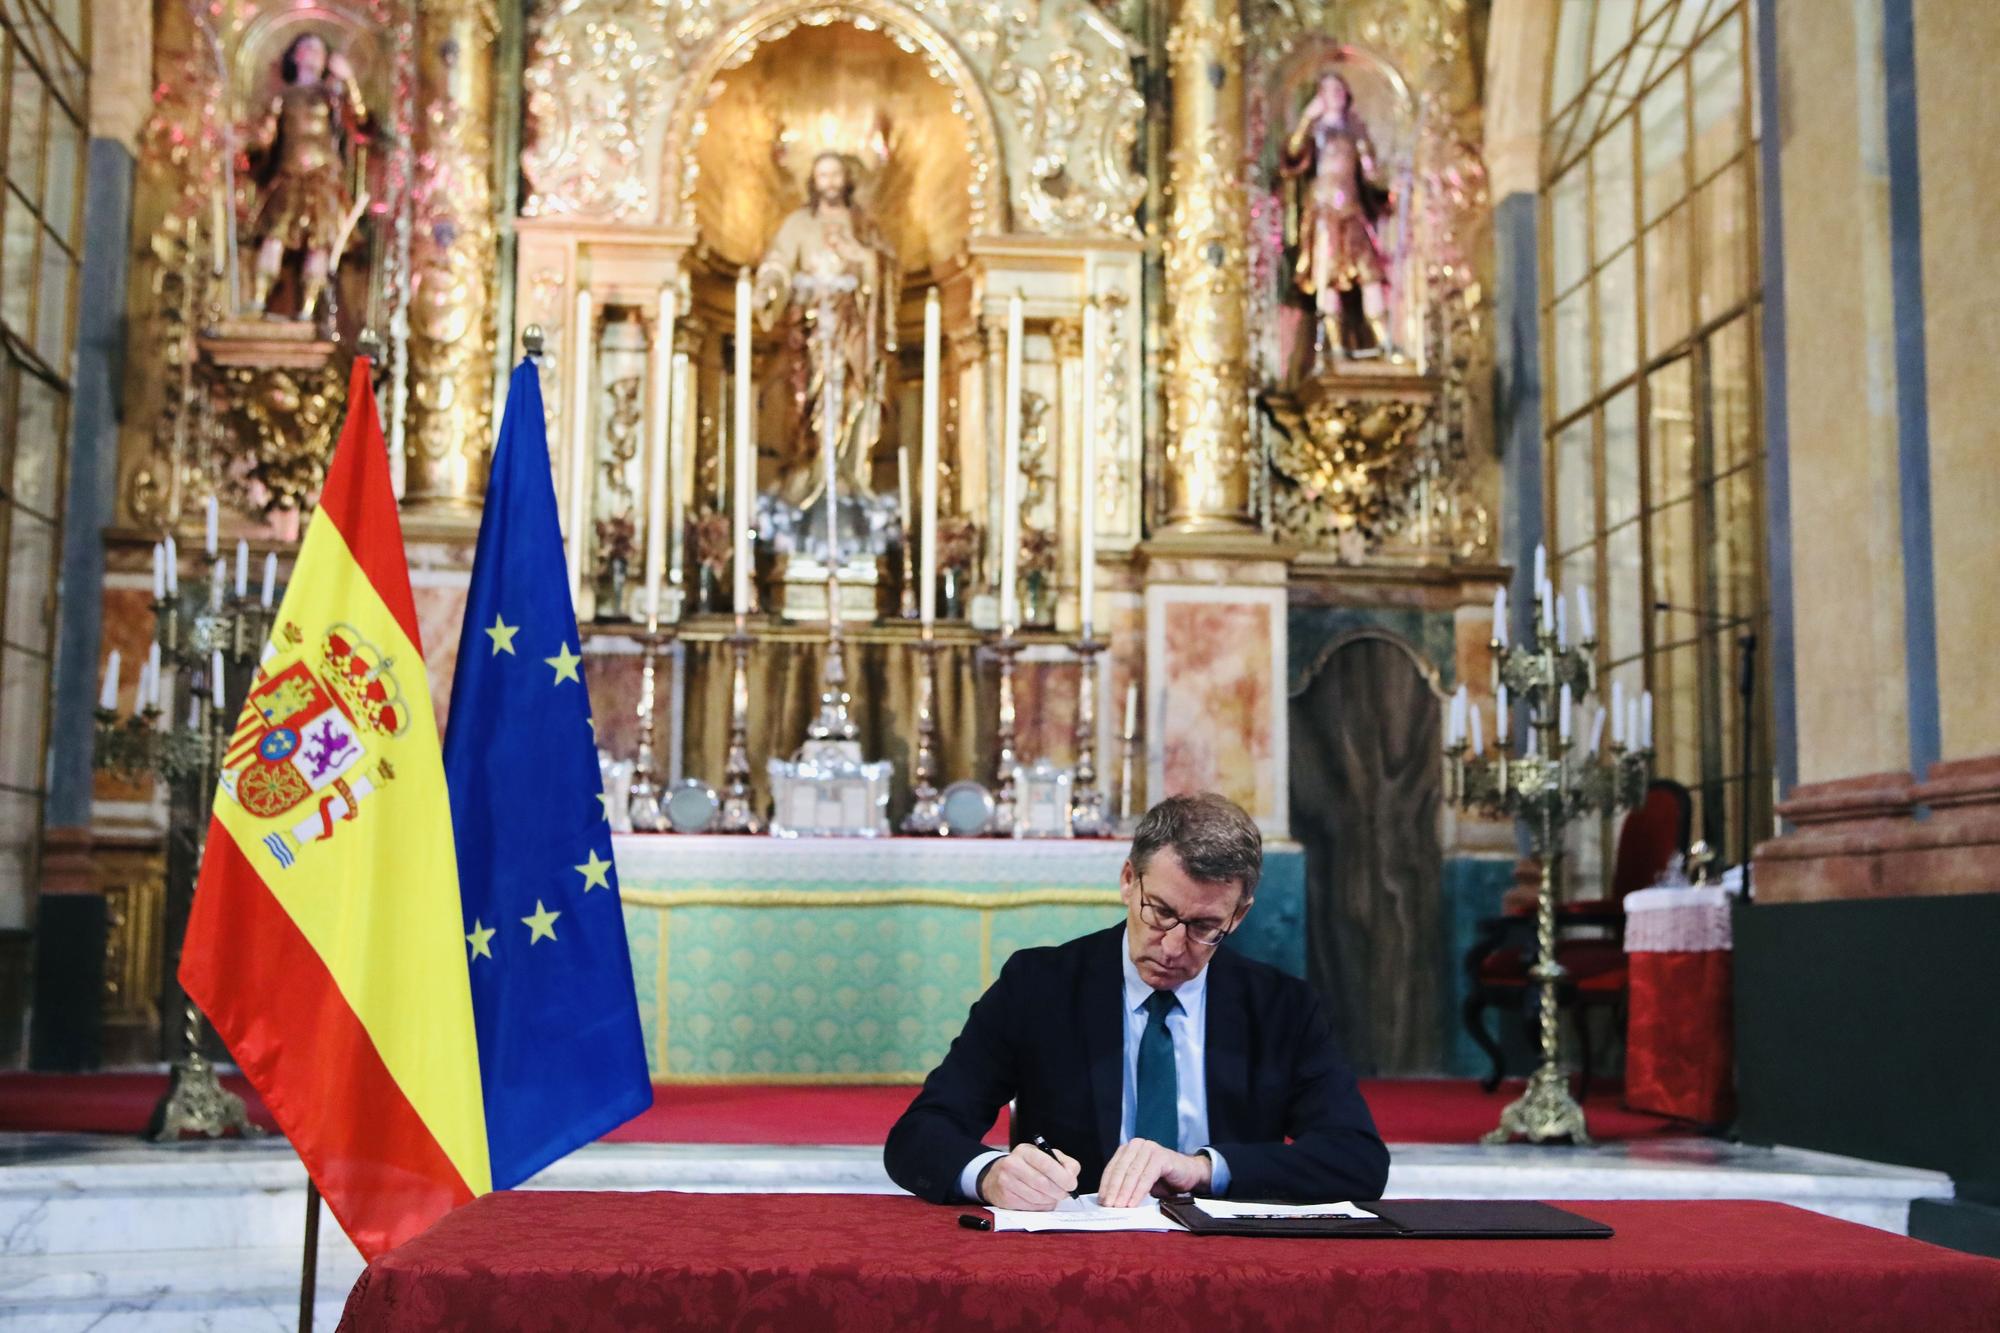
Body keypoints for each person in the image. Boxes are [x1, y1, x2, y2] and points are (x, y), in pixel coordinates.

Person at [885, 793, 1388, 1208]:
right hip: (1077, 1259)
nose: (1173, 947)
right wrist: (990, 1173)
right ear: (1129, 881)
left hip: (1228, 1262)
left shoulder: (1282, 1009)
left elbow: (1357, 1159)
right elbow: (920, 1134)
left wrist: (1202, 1170)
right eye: (1160, 912)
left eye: (1204, 927)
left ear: (1238, 915)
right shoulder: (1040, 987)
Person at [753, 151, 899, 518]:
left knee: (853, 395)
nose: (830, 182)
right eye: (823, 175)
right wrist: (771, 287)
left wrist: (863, 258)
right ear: (813, 182)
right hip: (812, 334)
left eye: (836, 175)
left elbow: (887, 269)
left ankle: (849, 473)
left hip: (853, 331)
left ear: (847, 180)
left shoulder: (865, 225)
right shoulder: (798, 224)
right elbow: (778, 263)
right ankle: (811, 471)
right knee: (811, 404)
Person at [243, 33, 370, 321]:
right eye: (307, 48)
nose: (314, 54)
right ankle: (258, 299)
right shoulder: (283, 97)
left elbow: (360, 121)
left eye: (319, 49)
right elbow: (265, 137)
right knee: (274, 237)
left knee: (320, 242)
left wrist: (349, 81)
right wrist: (246, 144)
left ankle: (308, 309)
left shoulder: (332, 97)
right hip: (289, 175)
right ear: (295, 55)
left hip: (323, 177)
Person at [1280, 70, 1395, 363]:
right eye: (1327, 90)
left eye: (1339, 89)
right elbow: (1292, 155)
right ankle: (1336, 345)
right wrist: (1306, 120)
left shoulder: (1355, 131)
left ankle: (1385, 342)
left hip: (1353, 213)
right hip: (1325, 212)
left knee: (1371, 275)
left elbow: (1372, 174)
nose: (1334, 95)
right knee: (1327, 277)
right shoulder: (1315, 131)